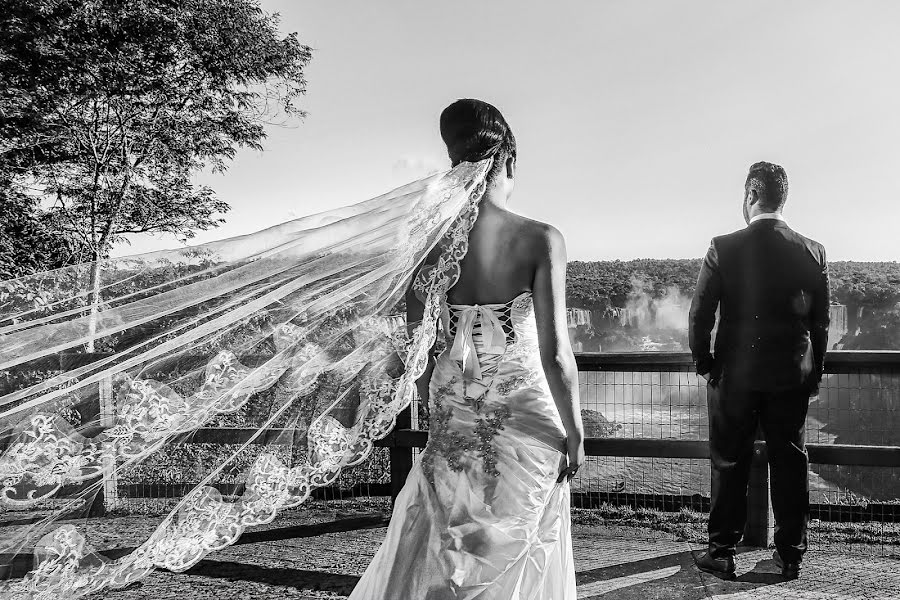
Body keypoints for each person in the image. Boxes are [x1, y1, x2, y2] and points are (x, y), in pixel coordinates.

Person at [348, 99, 583, 598]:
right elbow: (556, 354)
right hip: (523, 411)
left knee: (440, 536)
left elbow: (419, 345)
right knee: (521, 539)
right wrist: (577, 431)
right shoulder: (541, 239)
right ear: (510, 161)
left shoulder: (431, 245)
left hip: (453, 406)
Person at [689, 161, 830, 580]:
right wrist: (814, 374)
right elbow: (820, 323)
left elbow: (700, 314)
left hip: (734, 375)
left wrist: (705, 364)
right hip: (791, 377)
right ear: (782, 198)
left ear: (750, 196)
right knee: (790, 460)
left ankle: (722, 552)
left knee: (729, 461)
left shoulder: (723, 246)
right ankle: (789, 555)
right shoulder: (812, 250)